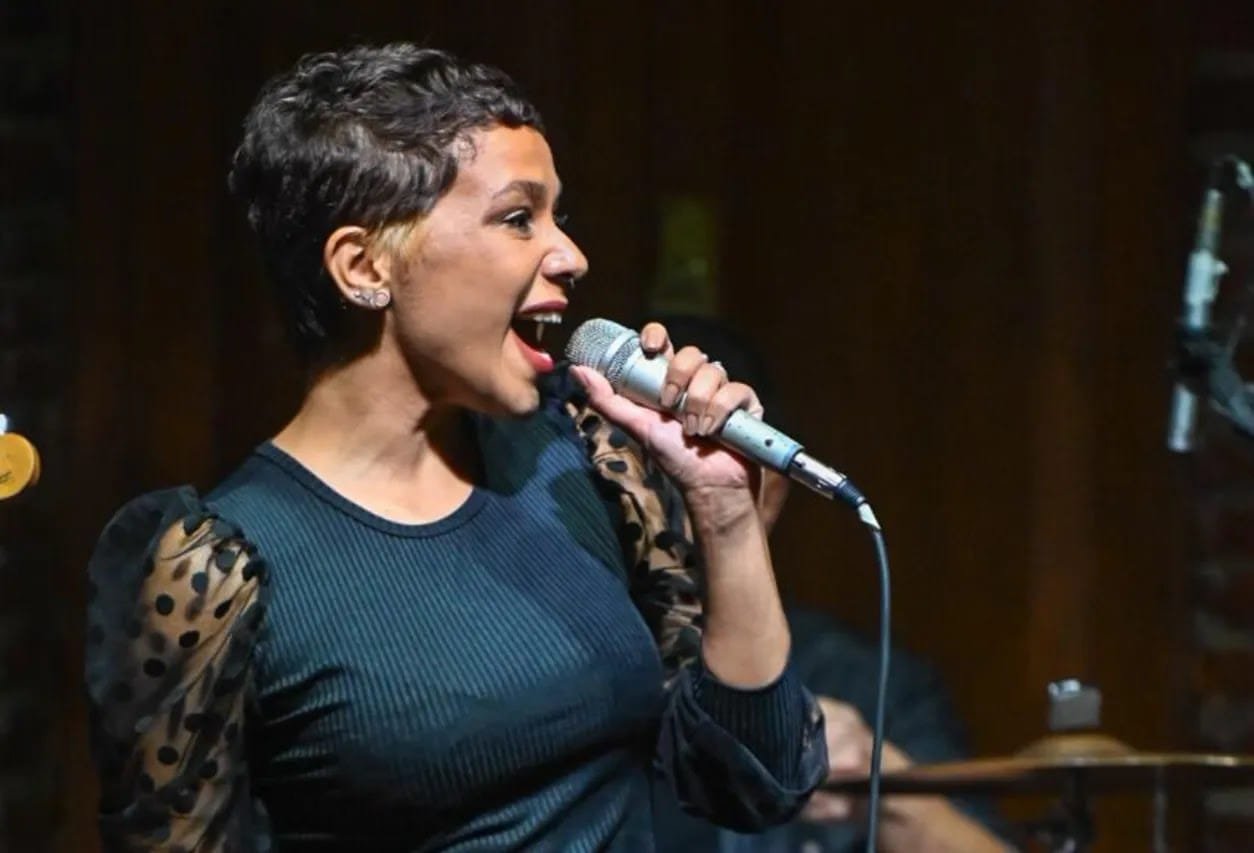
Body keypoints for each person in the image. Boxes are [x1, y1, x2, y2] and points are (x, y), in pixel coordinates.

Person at [83, 45, 829, 851]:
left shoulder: (577, 456)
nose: (571, 257)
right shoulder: (214, 566)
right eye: (518, 218)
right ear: (365, 265)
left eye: (558, 217)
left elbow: (754, 781)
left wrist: (723, 514)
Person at [643, 314, 1015, 852]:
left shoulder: (858, 675)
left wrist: (878, 786)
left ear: (767, 490)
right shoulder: (575, 663)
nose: (673, 508)